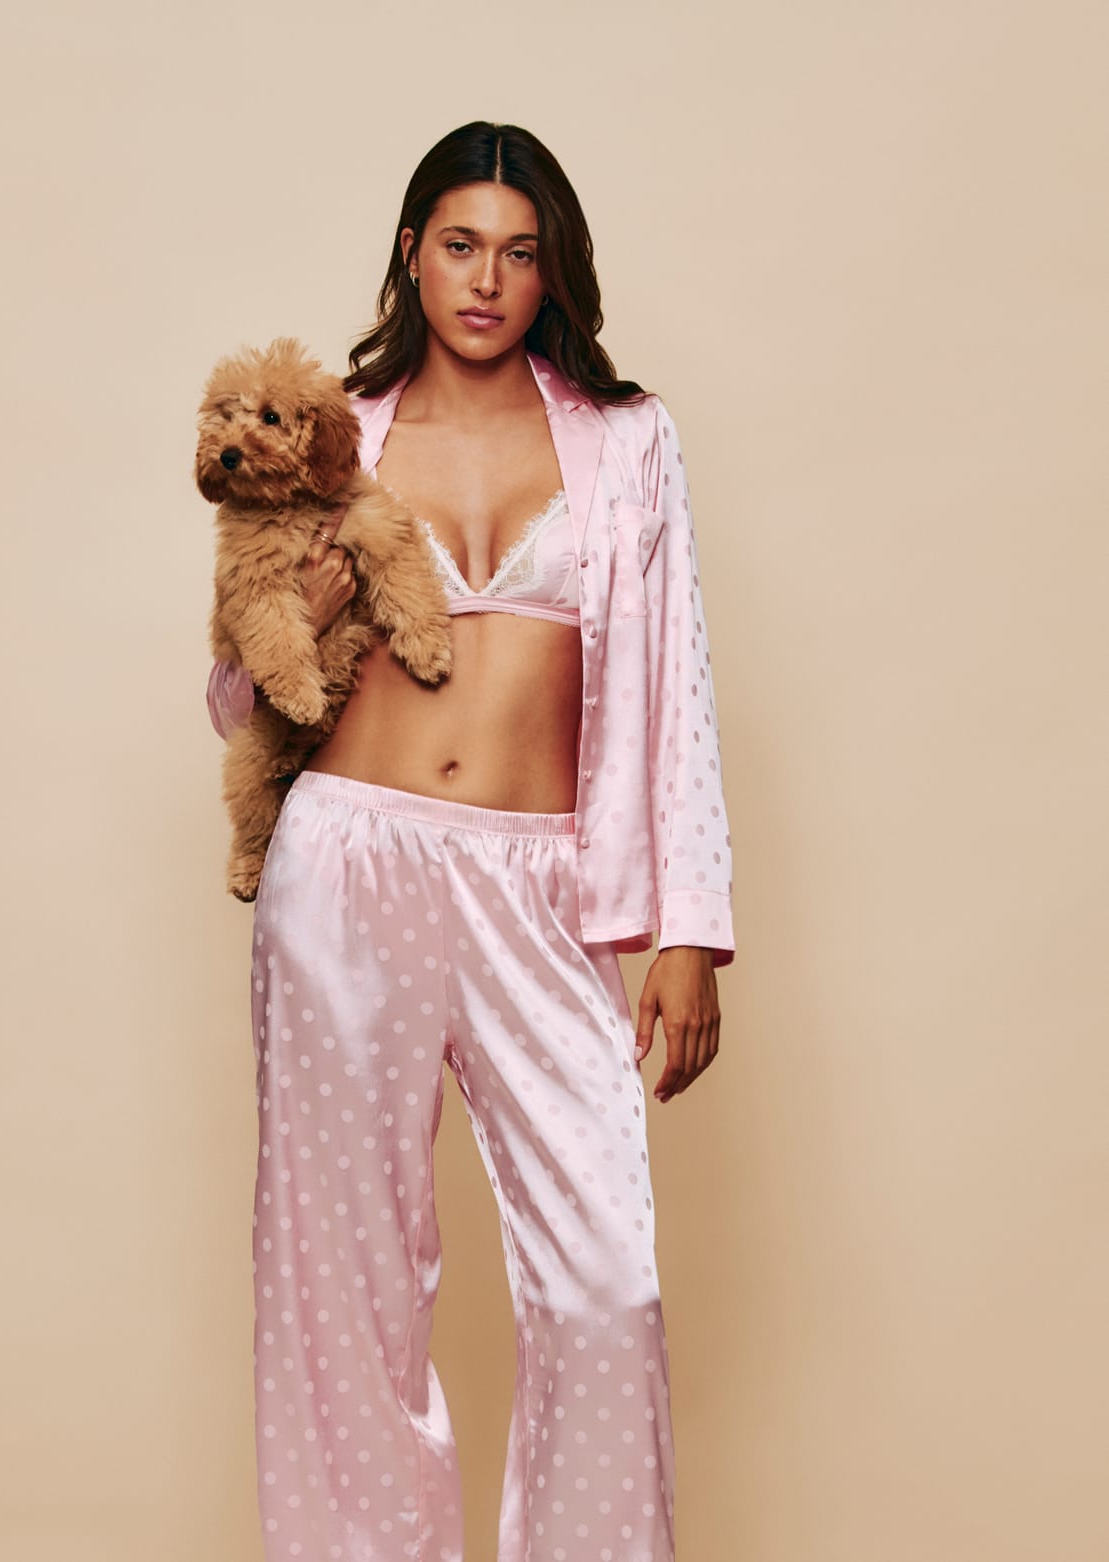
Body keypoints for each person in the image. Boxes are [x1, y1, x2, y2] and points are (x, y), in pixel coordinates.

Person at [207, 120, 735, 1562]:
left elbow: (676, 681)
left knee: (605, 1284)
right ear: (411, 254)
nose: (487, 280)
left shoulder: (627, 439)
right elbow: (235, 693)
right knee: (343, 1288)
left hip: (542, 884)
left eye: (517, 251)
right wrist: (308, 611)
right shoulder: (337, 430)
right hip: (345, 867)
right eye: (459, 245)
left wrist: (688, 927)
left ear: (551, 270)